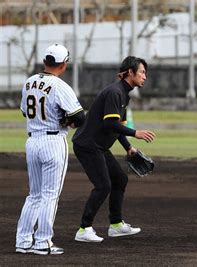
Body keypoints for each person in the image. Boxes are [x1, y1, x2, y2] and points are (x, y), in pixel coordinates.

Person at [72, 56, 156, 242]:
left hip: (99, 146)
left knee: (119, 179)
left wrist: (129, 147)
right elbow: (110, 123)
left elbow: (117, 127)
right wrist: (136, 133)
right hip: (87, 145)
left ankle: (116, 225)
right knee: (103, 186)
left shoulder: (123, 94)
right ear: (130, 73)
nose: (145, 76)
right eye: (142, 72)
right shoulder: (115, 92)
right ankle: (84, 229)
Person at [16, 44, 85, 255]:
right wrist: (65, 121)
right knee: (49, 195)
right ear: (64, 64)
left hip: (32, 141)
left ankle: (23, 240)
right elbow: (80, 117)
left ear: (46, 62)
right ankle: (43, 242)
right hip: (53, 143)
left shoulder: (29, 82)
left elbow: (23, 112)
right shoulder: (60, 86)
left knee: (34, 195)